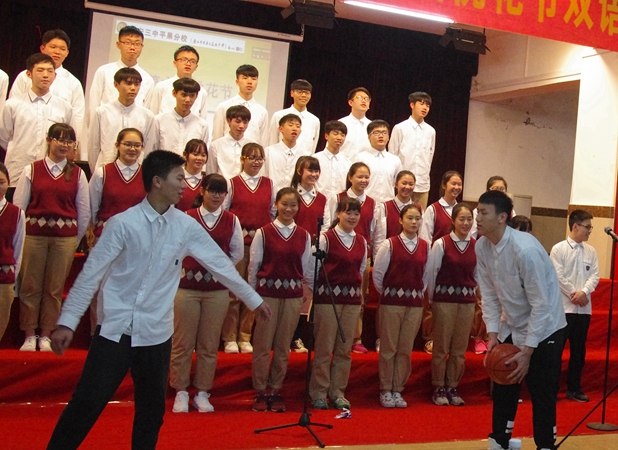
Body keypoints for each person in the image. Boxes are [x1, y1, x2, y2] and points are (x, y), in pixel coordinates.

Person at [46, 150, 271, 450]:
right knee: (86, 404)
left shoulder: (186, 226)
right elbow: (90, 275)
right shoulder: (122, 224)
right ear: (157, 181)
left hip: (156, 334)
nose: (184, 185)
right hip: (115, 331)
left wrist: (254, 300)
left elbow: (220, 264)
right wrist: (67, 322)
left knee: (151, 414)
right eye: (179, 178)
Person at [475, 190, 566, 450]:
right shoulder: (482, 246)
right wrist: (493, 335)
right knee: (504, 382)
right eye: (477, 211)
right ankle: (499, 441)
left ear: (502, 217)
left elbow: (541, 305)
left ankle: (545, 445)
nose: (477, 218)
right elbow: (488, 294)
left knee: (541, 391)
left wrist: (527, 351)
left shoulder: (526, 250)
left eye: (483, 213)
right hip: (512, 323)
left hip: (546, 327)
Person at [170, 173, 244, 414]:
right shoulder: (186, 217)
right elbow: (173, 248)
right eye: (212, 190)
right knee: (182, 342)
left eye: (221, 192)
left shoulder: (232, 220)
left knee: (209, 344)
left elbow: (237, 253)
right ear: (201, 191)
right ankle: (180, 390)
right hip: (186, 290)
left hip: (216, 292)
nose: (216, 196)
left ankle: (202, 392)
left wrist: (218, 269)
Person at [13, 123, 89, 352]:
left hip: (64, 240)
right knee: (30, 286)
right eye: (60, 139)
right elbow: (19, 208)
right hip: (34, 237)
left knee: (54, 289)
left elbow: (84, 211)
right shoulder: (32, 170)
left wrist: (73, 239)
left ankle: (46, 334)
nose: (65, 145)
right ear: (49, 140)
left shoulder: (78, 174)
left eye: (69, 141)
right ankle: (29, 334)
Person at [249, 187, 312, 412]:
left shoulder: (304, 235)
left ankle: (275, 389)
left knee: (283, 346)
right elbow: (254, 266)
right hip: (267, 296)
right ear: (276, 204)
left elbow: (305, 268)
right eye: (284, 204)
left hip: (292, 297)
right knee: (263, 345)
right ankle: (260, 390)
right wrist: (252, 297)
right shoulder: (263, 233)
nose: (288, 209)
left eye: (293, 205)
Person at [309, 197, 366, 410]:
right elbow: (312, 270)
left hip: (351, 302)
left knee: (344, 350)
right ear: (338, 214)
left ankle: (337, 392)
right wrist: (319, 292)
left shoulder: (362, 241)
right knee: (324, 349)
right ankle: (318, 392)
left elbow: (361, 270)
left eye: (356, 213)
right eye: (348, 212)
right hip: (328, 301)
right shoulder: (326, 239)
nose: (352, 217)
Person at [89, 128, 146, 335]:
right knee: (102, 289)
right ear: (117, 145)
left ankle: (126, 336)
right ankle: (99, 335)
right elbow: (92, 207)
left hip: (138, 242)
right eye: (128, 144)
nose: (132, 149)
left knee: (133, 289)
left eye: (137, 145)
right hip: (107, 240)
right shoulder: (102, 173)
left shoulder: (148, 175)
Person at [221, 143, 276, 354]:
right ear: (242, 159)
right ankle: (229, 337)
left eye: (259, 158)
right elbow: (225, 213)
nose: (256, 162)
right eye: (252, 157)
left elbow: (272, 213)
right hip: (239, 246)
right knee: (235, 291)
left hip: (260, 246)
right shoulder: (232, 183)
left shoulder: (269, 185)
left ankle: (245, 336)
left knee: (253, 290)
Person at [372, 204, 428, 408]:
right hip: (391, 303)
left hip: (414, 305)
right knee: (389, 347)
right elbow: (378, 275)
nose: (414, 222)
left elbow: (426, 276)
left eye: (417, 218)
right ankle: (385, 389)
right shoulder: (390, 244)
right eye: (410, 218)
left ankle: (398, 389)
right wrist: (391, 294)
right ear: (400, 220)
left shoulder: (425, 246)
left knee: (405, 348)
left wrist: (414, 294)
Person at [325, 162, 381, 354]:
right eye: (360, 176)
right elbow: (327, 224)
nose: (363, 180)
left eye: (366, 177)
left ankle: (355, 337)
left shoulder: (373, 203)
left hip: (361, 253)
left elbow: (375, 232)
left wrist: (373, 255)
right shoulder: (337, 198)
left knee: (359, 298)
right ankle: (332, 335)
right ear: (350, 178)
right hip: (337, 252)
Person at [427, 203, 476, 407]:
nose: (466, 223)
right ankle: (438, 386)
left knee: (459, 348)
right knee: (441, 346)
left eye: (469, 219)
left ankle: (452, 385)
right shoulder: (441, 244)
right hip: (444, 301)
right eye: (461, 219)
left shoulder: (477, 245)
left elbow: (478, 275)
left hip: (466, 302)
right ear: (453, 221)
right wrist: (432, 299)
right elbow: (432, 272)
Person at [0, 54, 74, 187]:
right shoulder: (12, 105)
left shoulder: (64, 107)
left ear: (55, 75)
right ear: (29, 74)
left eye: (50, 71)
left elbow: (68, 140)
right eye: (40, 70)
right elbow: (4, 137)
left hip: (51, 170)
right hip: (18, 167)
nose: (45, 75)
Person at [550, 209, 599, 403]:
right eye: (587, 227)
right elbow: (557, 276)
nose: (589, 231)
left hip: (583, 310)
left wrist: (584, 292)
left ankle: (574, 388)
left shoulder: (591, 251)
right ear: (575, 226)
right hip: (563, 309)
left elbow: (594, 275)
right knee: (557, 351)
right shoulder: (559, 249)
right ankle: (551, 389)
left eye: (590, 227)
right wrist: (574, 294)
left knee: (579, 352)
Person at [9, 30, 85, 144]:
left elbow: (78, 117)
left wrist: (74, 144)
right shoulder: (24, 76)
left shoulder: (73, 83)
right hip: (24, 141)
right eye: (53, 47)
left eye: (62, 49)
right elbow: (12, 109)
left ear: (67, 53)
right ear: (42, 48)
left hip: (58, 145)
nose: (57, 52)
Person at [418, 170, 463, 355]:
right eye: (453, 183)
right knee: (432, 301)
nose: (456, 187)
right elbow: (425, 236)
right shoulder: (433, 209)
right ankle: (430, 338)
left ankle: (450, 339)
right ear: (444, 185)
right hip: (436, 261)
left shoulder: (462, 210)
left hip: (457, 265)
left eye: (459, 184)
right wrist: (430, 261)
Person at [289, 156, 328, 353]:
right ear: (299, 172)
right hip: (292, 250)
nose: (314, 174)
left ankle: (298, 337)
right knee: (291, 294)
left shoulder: (322, 199)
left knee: (307, 297)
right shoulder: (290, 195)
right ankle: (285, 336)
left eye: (316, 170)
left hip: (312, 253)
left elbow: (326, 226)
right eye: (310, 170)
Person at [87, 68, 155, 171]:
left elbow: (148, 149)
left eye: (137, 84)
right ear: (116, 84)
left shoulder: (147, 116)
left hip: (136, 171)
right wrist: (95, 172)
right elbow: (93, 147)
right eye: (128, 83)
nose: (133, 88)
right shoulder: (102, 112)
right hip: (106, 168)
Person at [88, 25, 154, 111]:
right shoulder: (104, 71)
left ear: (142, 47)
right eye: (127, 43)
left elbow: (145, 111)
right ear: (118, 45)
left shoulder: (147, 79)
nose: (132, 47)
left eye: (137, 44)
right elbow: (94, 104)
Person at [389, 92, 435, 209]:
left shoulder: (431, 131)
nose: (425, 108)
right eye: (421, 104)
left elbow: (430, 157)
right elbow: (392, 155)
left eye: (428, 105)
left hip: (422, 183)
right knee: (400, 214)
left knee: (419, 215)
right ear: (412, 105)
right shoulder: (400, 128)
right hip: (402, 183)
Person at [0, 162, 26, 342]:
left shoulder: (17, 214)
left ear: (8, 184)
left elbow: (18, 249)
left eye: (1, 182)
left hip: (4, 278)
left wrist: (12, 278)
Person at [146, 45, 208, 119]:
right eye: (184, 60)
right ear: (175, 63)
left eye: (192, 61)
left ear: (196, 66)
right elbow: (153, 115)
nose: (188, 64)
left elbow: (202, 120)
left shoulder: (202, 92)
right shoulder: (162, 87)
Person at [211, 64, 268, 145]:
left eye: (253, 79)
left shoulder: (262, 111)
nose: (249, 82)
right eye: (245, 78)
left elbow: (263, 142)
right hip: (227, 151)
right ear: (237, 82)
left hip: (251, 152)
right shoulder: (224, 107)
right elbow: (216, 137)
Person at [153, 78, 209, 155]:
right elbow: (152, 150)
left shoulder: (202, 125)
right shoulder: (159, 120)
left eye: (192, 96)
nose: (188, 100)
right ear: (174, 93)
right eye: (184, 95)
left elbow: (202, 155)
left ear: (196, 96)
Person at [353, 120, 402, 204]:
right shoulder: (360, 158)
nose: (381, 136)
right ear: (369, 137)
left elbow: (398, 184)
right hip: (365, 203)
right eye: (376, 133)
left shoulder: (395, 160)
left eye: (384, 133)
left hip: (388, 204)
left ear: (388, 137)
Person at [268, 79, 320, 155]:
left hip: (304, 160)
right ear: (292, 93)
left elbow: (313, 147)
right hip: (280, 158)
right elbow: (272, 141)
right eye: (300, 92)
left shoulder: (314, 120)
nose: (304, 95)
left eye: (307, 93)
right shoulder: (279, 115)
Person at [263, 114, 309, 192]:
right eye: (290, 125)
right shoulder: (269, 151)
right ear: (281, 129)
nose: (294, 129)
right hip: (272, 195)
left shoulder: (304, 155)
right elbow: (263, 176)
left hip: (295, 197)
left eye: (298, 126)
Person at [206, 105, 253, 179]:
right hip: (222, 185)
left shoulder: (252, 146)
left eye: (245, 122)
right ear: (228, 121)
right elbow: (211, 173)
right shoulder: (216, 145)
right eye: (238, 121)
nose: (241, 126)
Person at [315, 120, 351, 200]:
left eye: (342, 135)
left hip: (340, 203)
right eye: (335, 134)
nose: (339, 138)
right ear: (326, 136)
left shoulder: (347, 163)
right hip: (319, 201)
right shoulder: (315, 159)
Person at [339, 87, 372, 160]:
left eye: (366, 99)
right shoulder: (341, 123)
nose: (364, 100)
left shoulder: (372, 126)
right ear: (350, 102)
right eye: (360, 97)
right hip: (343, 165)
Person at [175, 139, 208, 212]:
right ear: (185, 154)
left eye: (203, 155)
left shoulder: (207, 182)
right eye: (195, 154)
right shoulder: (176, 179)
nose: (199, 158)